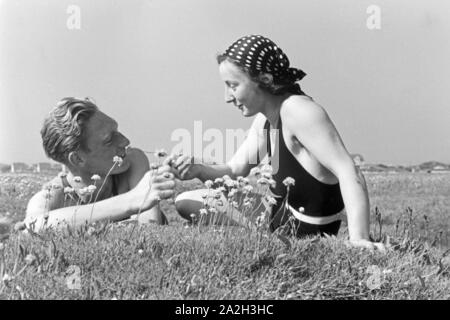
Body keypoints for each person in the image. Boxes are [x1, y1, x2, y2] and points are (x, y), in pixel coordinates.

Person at [171, 35, 384, 250]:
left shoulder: (299, 111)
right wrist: (197, 169)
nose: (227, 97)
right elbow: (235, 170)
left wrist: (359, 239)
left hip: (306, 228)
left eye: (233, 85)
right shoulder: (264, 119)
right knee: (186, 201)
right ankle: (259, 234)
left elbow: (348, 170)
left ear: (264, 80)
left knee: (191, 202)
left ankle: (262, 237)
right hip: (280, 214)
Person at [24, 97, 175, 231]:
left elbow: (150, 228)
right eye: (109, 140)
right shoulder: (53, 195)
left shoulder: (133, 161)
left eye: (117, 131)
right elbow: (35, 225)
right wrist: (133, 199)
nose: (125, 141)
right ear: (78, 159)